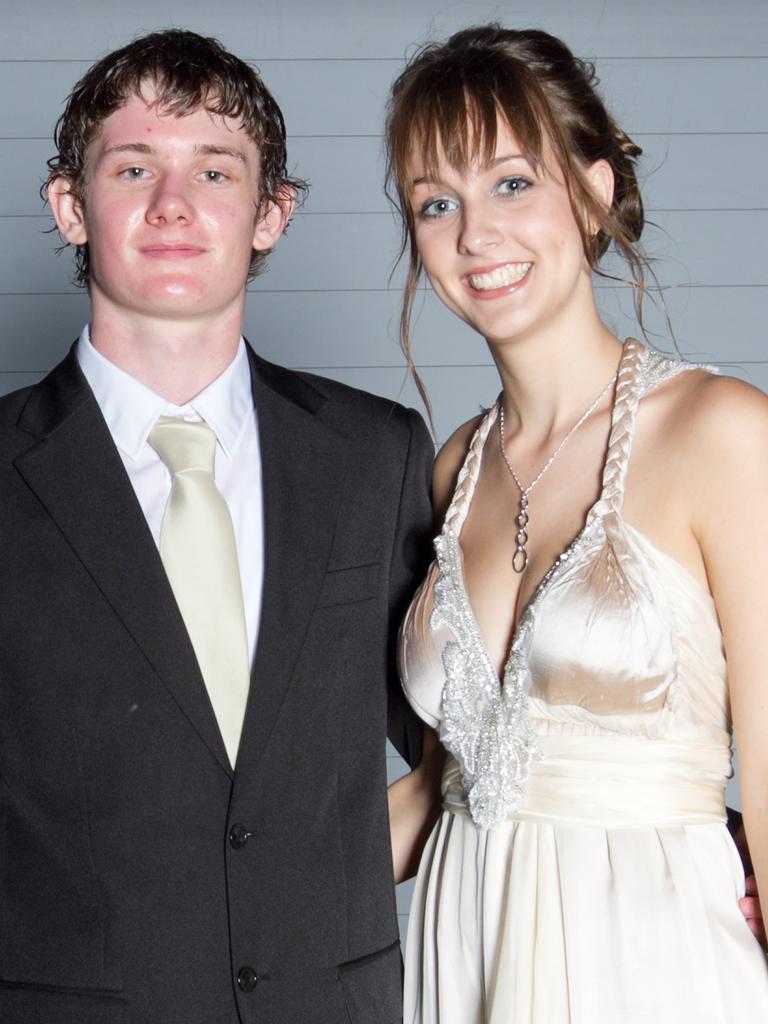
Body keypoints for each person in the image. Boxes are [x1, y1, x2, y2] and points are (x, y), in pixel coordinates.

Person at [0, 29, 433, 1024]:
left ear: (272, 213)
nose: (172, 205)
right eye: (134, 165)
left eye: (216, 169)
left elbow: (481, 751)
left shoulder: (381, 456)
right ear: (72, 205)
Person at [385, 24, 768, 1022]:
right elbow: (437, 791)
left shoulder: (722, 432)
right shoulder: (451, 471)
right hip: (461, 954)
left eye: (512, 183)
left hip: (657, 963)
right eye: (437, 202)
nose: (475, 235)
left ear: (594, 192)